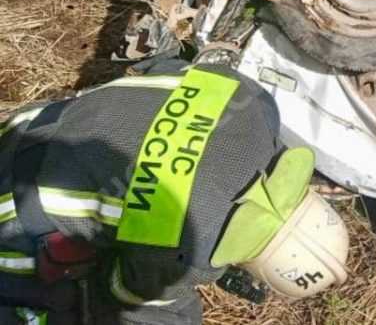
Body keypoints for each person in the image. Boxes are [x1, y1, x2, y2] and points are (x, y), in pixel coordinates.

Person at [0, 65, 350, 323]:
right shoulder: (191, 255)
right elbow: (130, 302)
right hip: (12, 206)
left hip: (34, 123)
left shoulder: (253, 102)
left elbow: (163, 70)